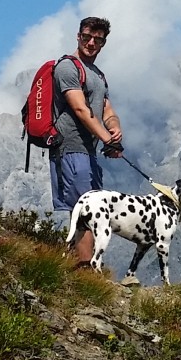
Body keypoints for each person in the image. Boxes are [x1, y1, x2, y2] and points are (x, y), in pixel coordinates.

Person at [50, 17, 122, 265]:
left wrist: (114, 129)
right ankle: (85, 269)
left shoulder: (98, 75)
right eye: (87, 37)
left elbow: (107, 110)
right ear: (78, 36)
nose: (91, 43)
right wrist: (106, 139)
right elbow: (80, 109)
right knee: (87, 210)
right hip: (70, 147)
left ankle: (77, 266)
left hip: (88, 151)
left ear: (103, 43)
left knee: (90, 208)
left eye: (97, 39)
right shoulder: (67, 68)